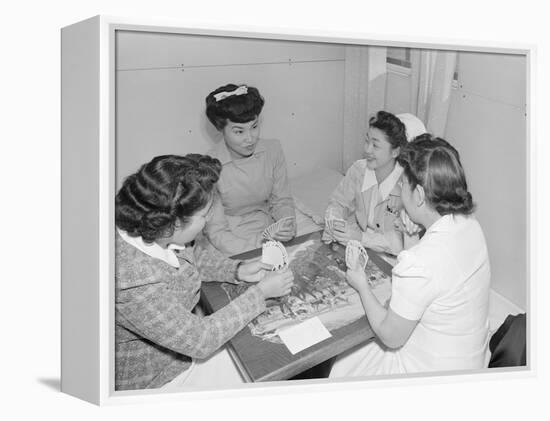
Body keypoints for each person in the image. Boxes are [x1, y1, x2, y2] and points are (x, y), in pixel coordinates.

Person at [115, 154, 294, 391]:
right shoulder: (133, 281)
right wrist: (260, 293)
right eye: (204, 215)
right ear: (174, 224)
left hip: (180, 343)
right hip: (157, 378)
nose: (209, 220)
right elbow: (201, 339)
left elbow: (191, 255)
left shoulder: (157, 228)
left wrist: (237, 269)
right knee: (269, 359)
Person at [330, 135, 491, 377]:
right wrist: (410, 235)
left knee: (343, 361)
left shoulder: (420, 262)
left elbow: (390, 336)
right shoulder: (470, 225)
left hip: (431, 375)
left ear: (418, 195)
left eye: (403, 183)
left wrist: (361, 285)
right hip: (470, 360)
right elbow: (422, 284)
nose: (399, 188)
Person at [203, 84, 296, 256]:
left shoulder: (273, 150)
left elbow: (281, 200)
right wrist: (261, 244)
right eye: (239, 131)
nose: (250, 139)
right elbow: (216, 231)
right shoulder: (209, 167)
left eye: (254, 127)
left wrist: (286, 223)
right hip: (229, 239)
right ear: (220, 129)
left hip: (266, 225)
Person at [322, 111, 426, 255]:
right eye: (367, 141)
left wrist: (361, 238)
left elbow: (400, 242)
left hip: (392, 257)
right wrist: (334, 222)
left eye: (375, 146)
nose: (367, 150)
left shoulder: (408, 187)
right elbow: (338, 202)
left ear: (395, 152)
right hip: (359, 247)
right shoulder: (358, 170)